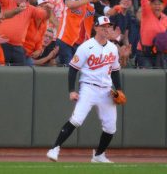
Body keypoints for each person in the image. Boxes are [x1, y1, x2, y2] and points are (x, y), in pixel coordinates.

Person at [46, 16, 124, 163]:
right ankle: (54, 148)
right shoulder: (85, 47)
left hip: (107, 90)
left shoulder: (113, 48)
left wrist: (119, 89)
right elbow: (73, 69)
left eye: (108, 27)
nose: (106, 29)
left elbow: (115, 71)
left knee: (110, 127)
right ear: (95, 28)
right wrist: (71, 90)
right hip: (89, 87)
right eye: (103, 26)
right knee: (76, 119)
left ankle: (99, 155)